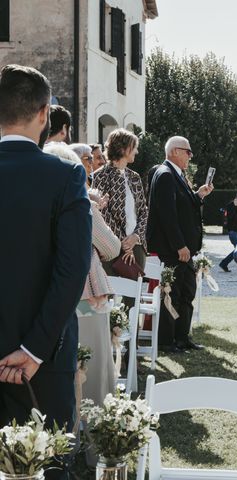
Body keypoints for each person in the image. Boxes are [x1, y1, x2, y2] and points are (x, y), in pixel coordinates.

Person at [0, 65, 92, 479]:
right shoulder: (67, 174)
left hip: (31, 354)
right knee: (51, 466)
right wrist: (35, 349)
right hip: (46, 361)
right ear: (44, 113)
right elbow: (72, 270)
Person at [44, 143, 119, 405]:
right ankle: (92, 426)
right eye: (86, 160)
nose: (90, 165)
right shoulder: (83, 203)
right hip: (87, 296)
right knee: (91, 364)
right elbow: (112, 247)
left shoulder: (39, 204)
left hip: (48, 299)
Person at [146, 136, 213, 353]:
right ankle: (166, 340)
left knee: (186, 292)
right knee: (170, 294)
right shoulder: (165, 174)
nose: (190, 156)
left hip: (184, 250)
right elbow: (167, 215)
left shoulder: (178, 174)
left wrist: (198, 195)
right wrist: (179, 245)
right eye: (188, 151)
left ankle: (182, 337)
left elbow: (182, 206)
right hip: (173, 250)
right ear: (175, 151)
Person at [93, 129, 148, 274]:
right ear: (123, 148)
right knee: (109, 294)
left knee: (134, 295)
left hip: (136, 245)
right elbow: (101, 212)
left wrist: (136, 236)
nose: (136, 151)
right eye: (134, 147)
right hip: (111, 246)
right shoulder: (100, 176)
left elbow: (143, 210)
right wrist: (123, 242)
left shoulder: (134, 177)